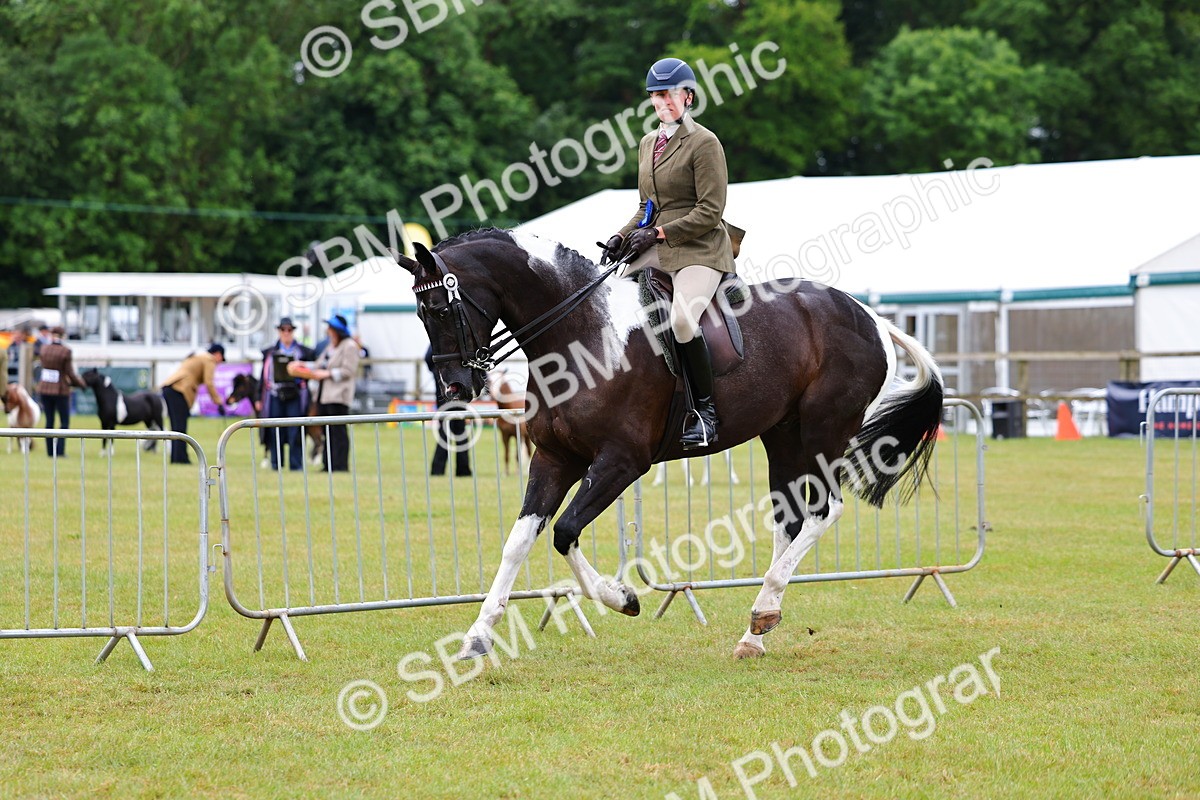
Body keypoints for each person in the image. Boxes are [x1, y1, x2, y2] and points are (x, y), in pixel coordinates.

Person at [599, 57, 738, 451]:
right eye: (656, 95)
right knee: (610, 304)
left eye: (669, 94)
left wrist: (656, 233)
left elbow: (711, 211)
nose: (662, 101)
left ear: (688, 97)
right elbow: (646, 206)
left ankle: (704, 413)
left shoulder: (705, 142)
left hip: (701, 247)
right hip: (655, 245)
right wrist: (621, 235)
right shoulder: (647, 144)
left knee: (680, 320)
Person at [295, 315, 358, 472]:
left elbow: (348, 370)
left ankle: (340, 465)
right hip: (324, 395)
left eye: (330, 328)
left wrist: (327, 374)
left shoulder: (349, 346)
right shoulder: (331, 347)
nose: (328, 330)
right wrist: (302, 365)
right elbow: (318, 365)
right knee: (326, 432)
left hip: (339, 396)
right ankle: (328, 464)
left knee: (338, 432)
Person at [259, 317, 315, 471]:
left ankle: (296, 465)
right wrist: (259, 398)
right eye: (283, 329)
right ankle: (276, 464)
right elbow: (262, 377)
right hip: (275, 395)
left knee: (295, 430)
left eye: (289, 330)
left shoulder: (303, 352)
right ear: (278, 331)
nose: (286, 333)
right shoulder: (270, 352)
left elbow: (315, 365)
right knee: (275, 429)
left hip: (295, 395)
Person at [160, 343, 226, 464]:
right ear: (217, 354)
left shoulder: (199, 356)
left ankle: (176, 458)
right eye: (221, 358)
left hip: (170, 388)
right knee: (180, 427)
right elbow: (209, 382)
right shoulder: (209, 359)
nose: (220, 362)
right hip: (180, 390)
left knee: (175, 427)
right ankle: (181, 458)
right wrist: (218, 402)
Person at [35, 326, 86, 457]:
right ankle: (60, 451)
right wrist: (81, 384)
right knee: (64, 422)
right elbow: (70, 373)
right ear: (63, 336)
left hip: (45, 388)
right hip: (60, 390)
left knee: (49, 421)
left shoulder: (44, 349)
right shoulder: (65, 351)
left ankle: (50, 452)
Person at [425, 344, 472, 477]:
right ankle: (463, 470)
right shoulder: (462, 340)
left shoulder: (439, 339)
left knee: (445, 432)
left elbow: (428, 358)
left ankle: (438, 469)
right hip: (460, 393)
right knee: (460, 431)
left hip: (444, 394)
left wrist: (437, 373)